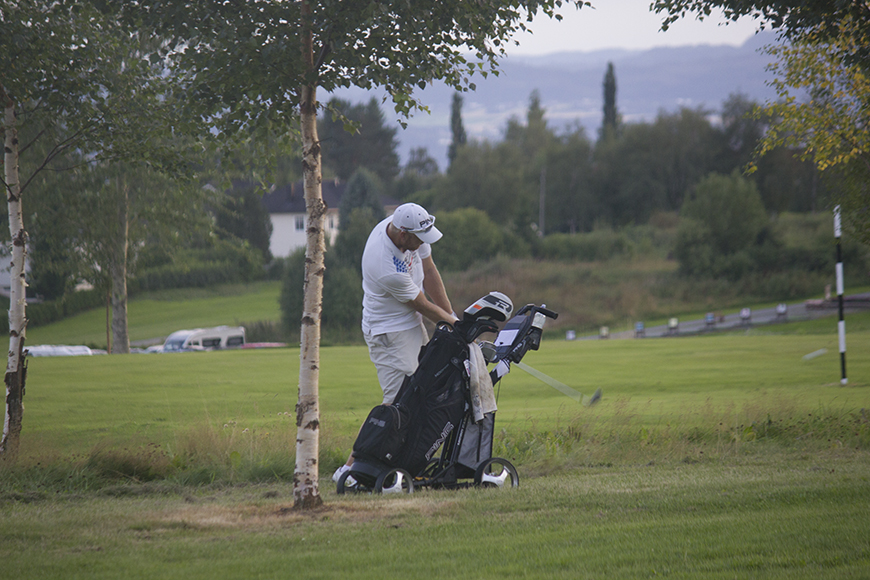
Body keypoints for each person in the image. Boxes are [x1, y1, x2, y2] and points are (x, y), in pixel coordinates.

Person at [333, 202, 457, 483]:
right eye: (418, 240)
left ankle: (400, 462)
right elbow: (422, 303)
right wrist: (456, 327)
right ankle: (351, 469)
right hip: (387, 332)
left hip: (409, 324)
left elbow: (430, 272)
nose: (423, 243)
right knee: (397, 402)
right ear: (403, 235)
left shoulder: (412, 229)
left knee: (420, 393)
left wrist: (452, 318)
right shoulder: (383, 262)